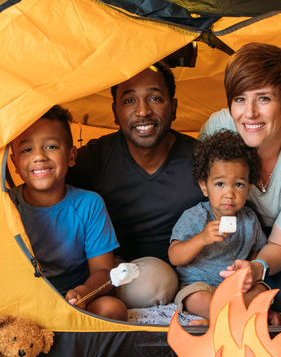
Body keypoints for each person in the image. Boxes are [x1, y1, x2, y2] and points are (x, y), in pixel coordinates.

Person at [199, 43, 281, 300]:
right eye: (240, 99)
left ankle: (263, 294)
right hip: (230, 232)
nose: (250, 113)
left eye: (264, 98)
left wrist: (255, 269)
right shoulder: (218, 127)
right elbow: (203, 200)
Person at [68, 62, 204, 307]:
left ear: (173, 108)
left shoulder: (201, 159)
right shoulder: (96, 157)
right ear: (115, 111)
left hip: (184, 274)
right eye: (129, 101)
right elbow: (48, 194)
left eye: (154, 98)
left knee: (155, 281)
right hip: (113, 270)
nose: (143, 111)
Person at [10, 106, 128, 320]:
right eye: (27, 150)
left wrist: (83, 292)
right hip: (23, 301)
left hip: (75, 299)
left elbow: (102, 272)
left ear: (72, 156)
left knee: (112, 309)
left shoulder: (89, 204)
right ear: (14, 163)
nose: (39, 157)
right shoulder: (9, 205)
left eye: (51, 146)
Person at [168, 131, 270, 321]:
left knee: (262, 290)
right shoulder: (195, 216)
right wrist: (201, 238)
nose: (229, 193)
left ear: (248, 188)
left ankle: (220, 319)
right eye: (220, 184)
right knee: (194, 299)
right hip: (200, 285)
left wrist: (249, 268)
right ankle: (237, 318)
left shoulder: (249, 219)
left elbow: (258, 251)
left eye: (239, 185)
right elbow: (175, 256)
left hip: (236, 288)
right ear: (204, 187)